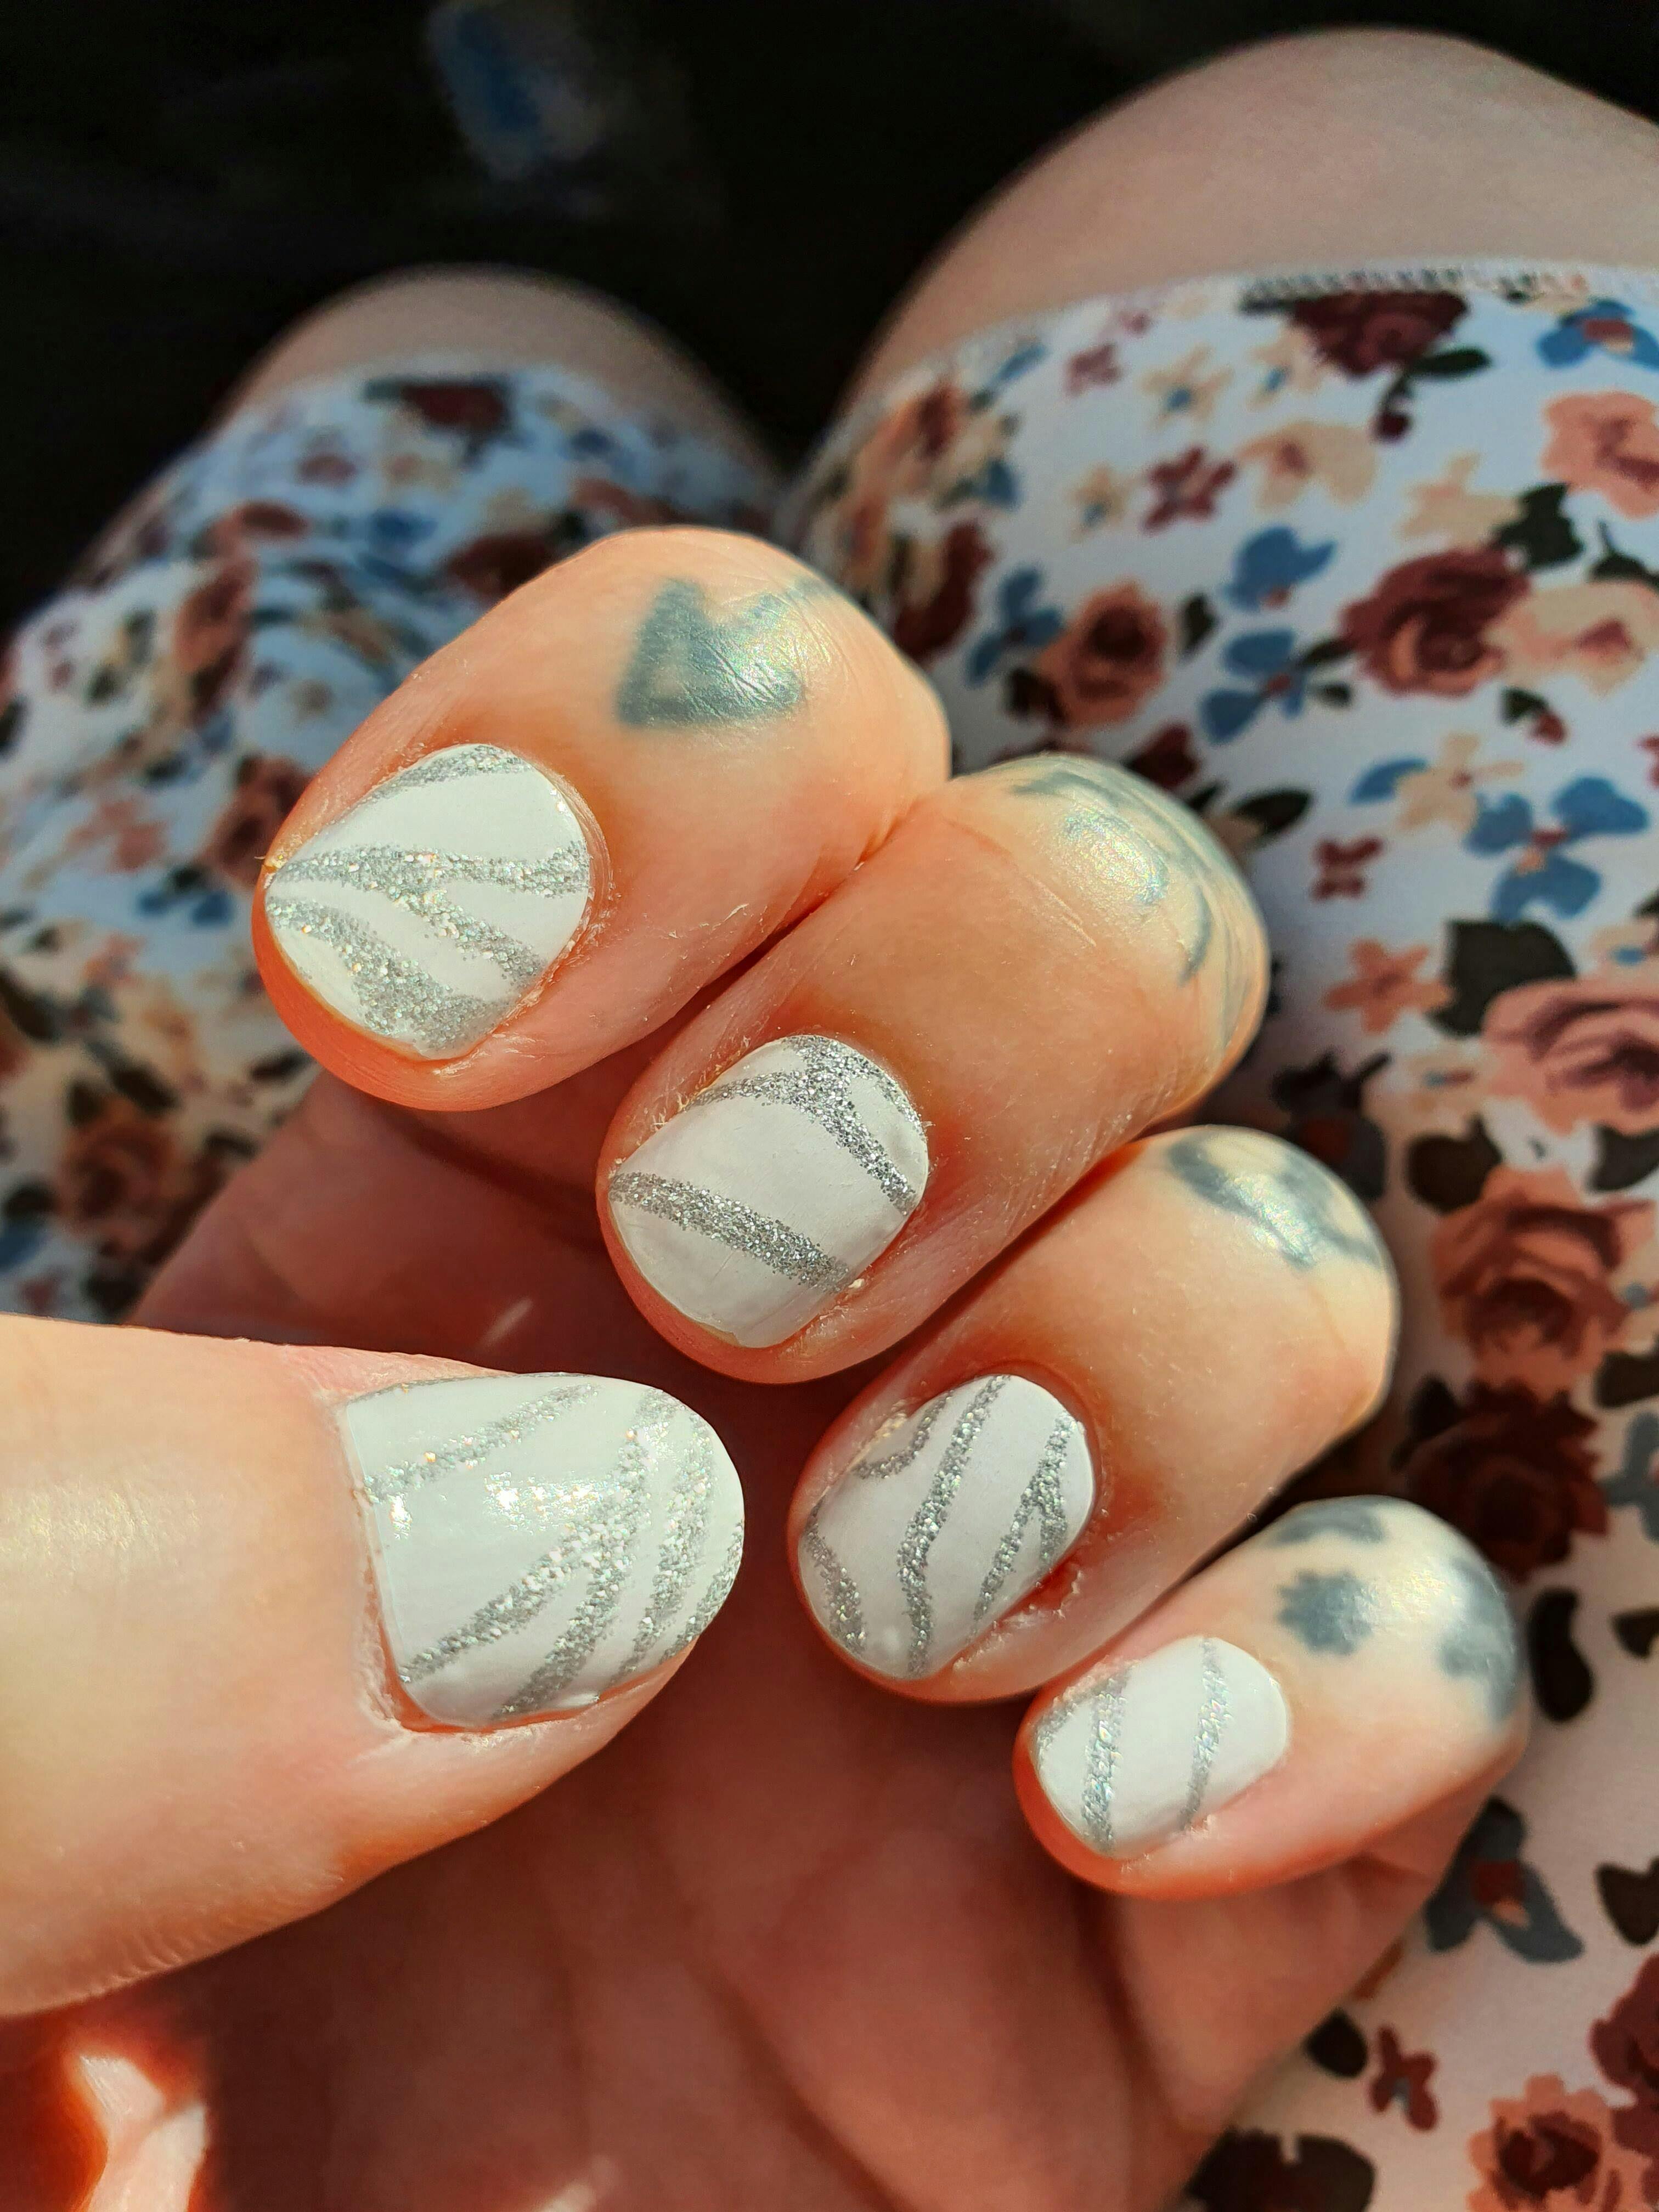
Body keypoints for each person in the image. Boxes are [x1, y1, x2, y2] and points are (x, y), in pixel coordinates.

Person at [2, 31, 1655, 2208]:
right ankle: (509, 223)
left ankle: (489, 231)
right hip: (719, 1815)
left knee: (422, 433)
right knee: (492, 456)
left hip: (178, 1365)